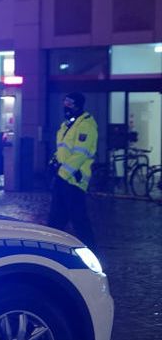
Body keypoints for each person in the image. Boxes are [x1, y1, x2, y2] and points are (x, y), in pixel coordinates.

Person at [48, 92, 98, 248]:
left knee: (79, 219)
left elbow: (80, 154)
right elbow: (63, 149)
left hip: (74, 180)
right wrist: (53, 162)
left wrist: (62, 174)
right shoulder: (67, 124)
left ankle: (91, 252)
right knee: (56, 219)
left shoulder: (86, 125)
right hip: (63, 178)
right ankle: (51, 249)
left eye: (70, 103)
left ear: (78, 105)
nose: (66, 106)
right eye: (65, 103)